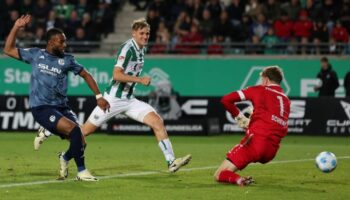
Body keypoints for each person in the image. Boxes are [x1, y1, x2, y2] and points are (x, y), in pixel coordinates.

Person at [34, 18, 192, 173]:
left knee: (157, 121)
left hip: (129, 100)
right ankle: (48, 131)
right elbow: (116, 75)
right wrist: (139, 79)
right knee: (82, 133)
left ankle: (171, 161)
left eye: (147, 33)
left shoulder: (142, 49)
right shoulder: (127, 49)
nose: (145, 36)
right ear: (134, 34)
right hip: (112, 100)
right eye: (142, 33)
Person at [3, 15, 110, 181]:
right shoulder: (35, 54)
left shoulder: (67, 60)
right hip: (41, 107)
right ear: (51, 42)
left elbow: (86, 75)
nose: (64, 45)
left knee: (80, 141)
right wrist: (16, 27)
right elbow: (8, 49)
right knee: (74, 130)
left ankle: (65, 158)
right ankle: (81, 172)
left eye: (65, 41)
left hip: (62, 107)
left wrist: (98, 96)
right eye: (61, 41)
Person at [214, 66, 290, 186]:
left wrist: (239, 116)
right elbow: (273, 121)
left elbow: (226, 100)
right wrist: (254, 120)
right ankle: (241, 179)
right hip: (272, 150)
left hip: (256, 144)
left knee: (220, 174)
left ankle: (240, 180)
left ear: (265, 80)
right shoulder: (286, 100)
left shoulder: (260, 90)